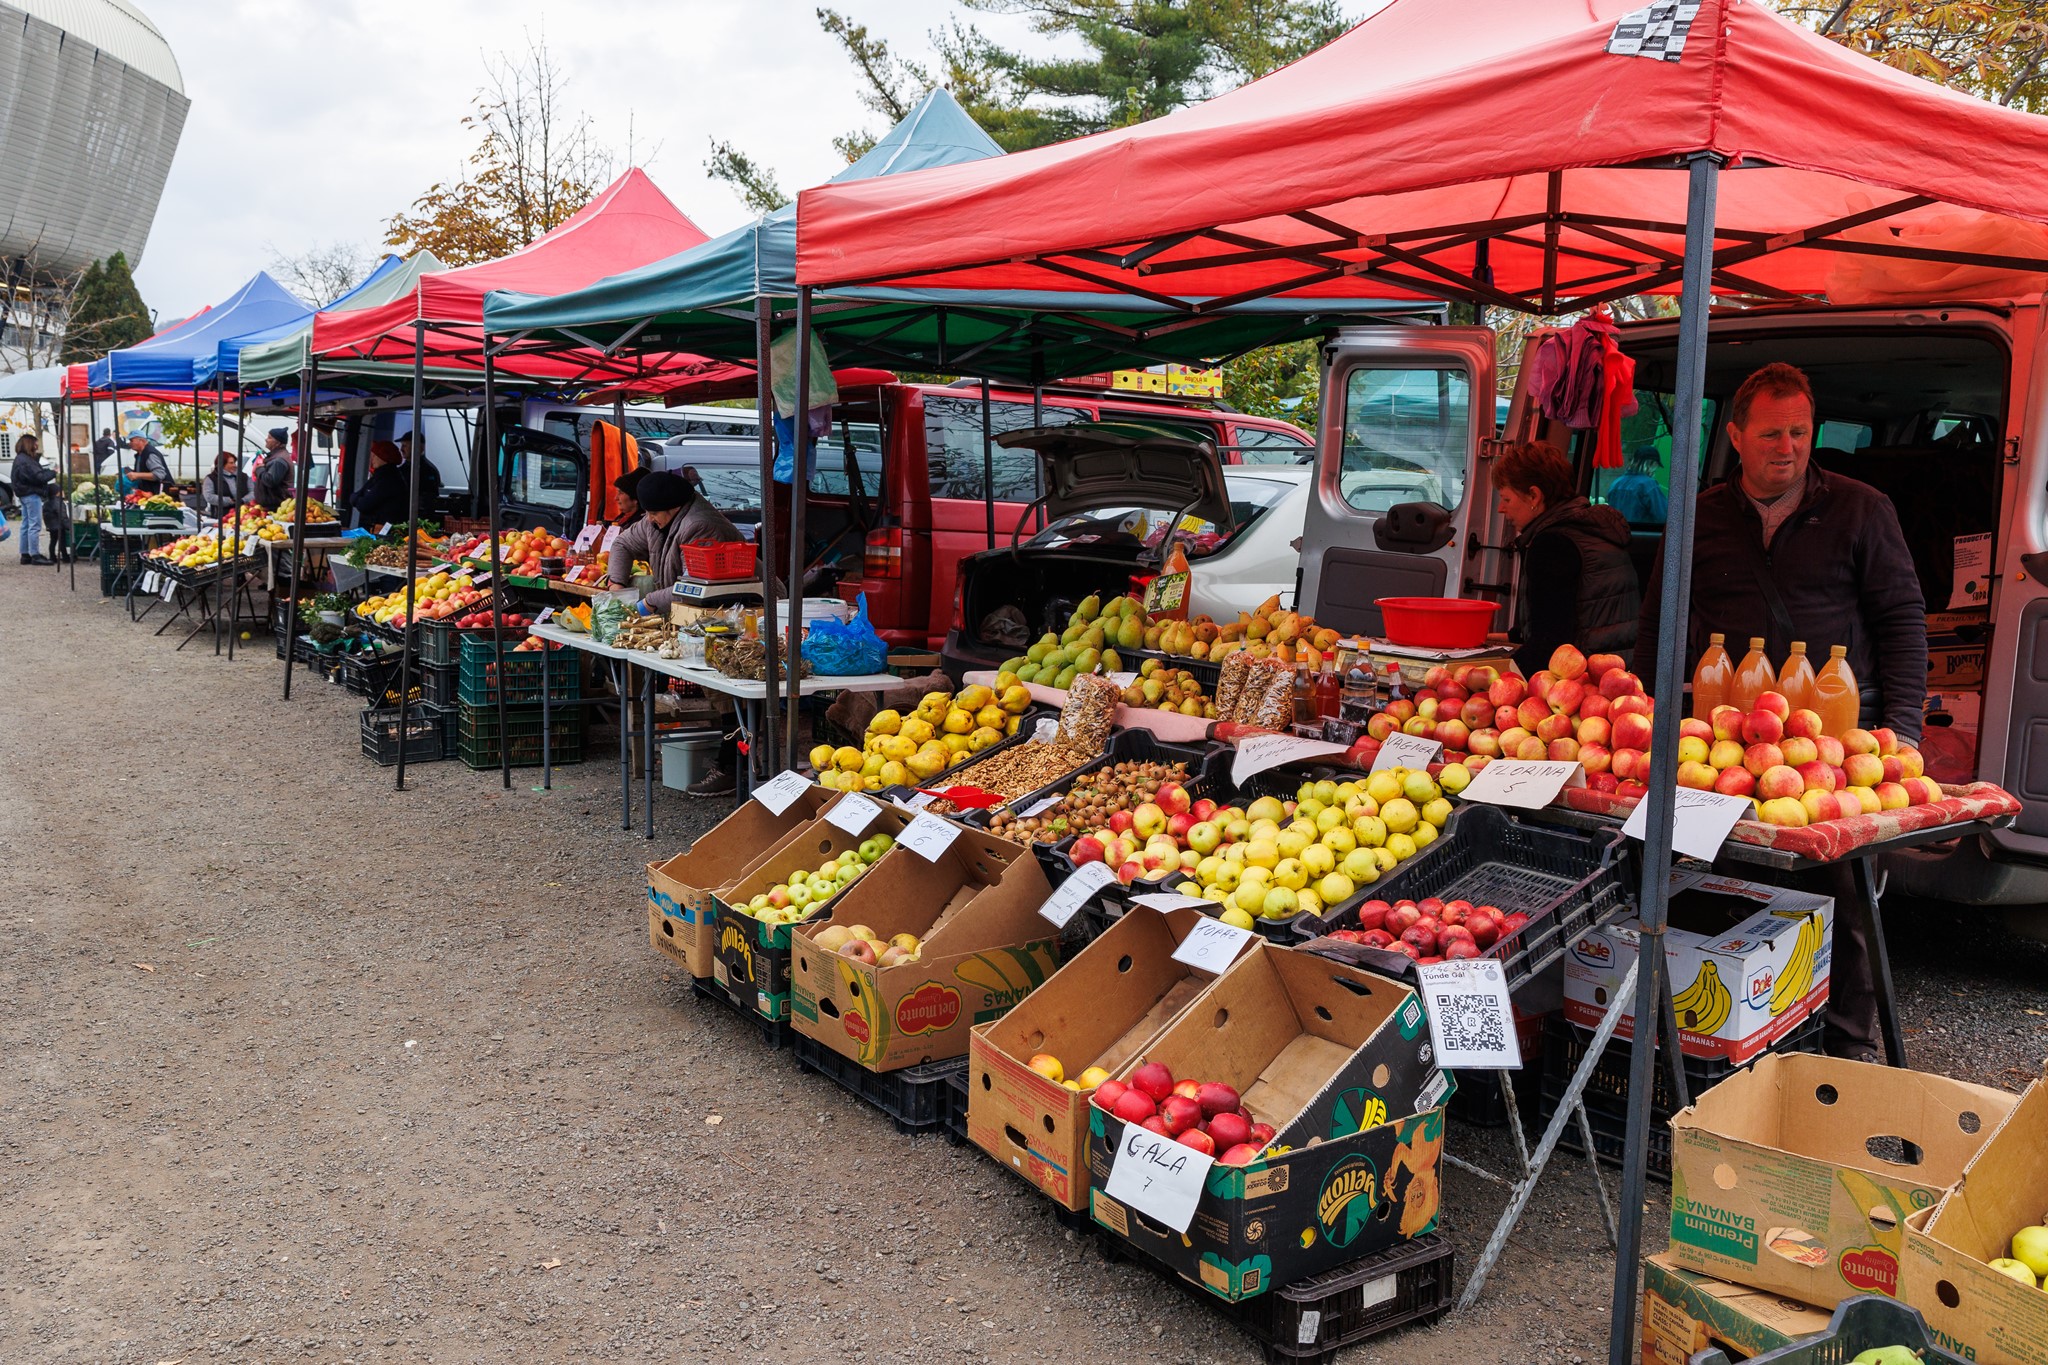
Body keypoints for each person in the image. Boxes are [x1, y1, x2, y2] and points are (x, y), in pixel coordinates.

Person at [1634, 361, 1926, 1063]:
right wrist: (1647, 719)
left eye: (1799, 431)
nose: (1787, 446)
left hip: (1835, 744)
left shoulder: (1862, 508)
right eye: (1771, 433)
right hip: (1724, 741)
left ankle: (1846, 1045)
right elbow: (1659, 624)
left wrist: (1906, 731)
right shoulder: (1702, 515)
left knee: (1845, 899)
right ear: (1735, 435)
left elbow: (1901, 619)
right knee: (1723, 888)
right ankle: (1737, 1036)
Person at [608, 470, 747, 796]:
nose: (649, 519)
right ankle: (733, 762)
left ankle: (734, 766)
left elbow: (694, 585)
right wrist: (616, 583)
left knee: (728, 692)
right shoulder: (658, 520)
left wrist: (648, 603)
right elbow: (623, 543)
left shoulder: (700, 525)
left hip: (731, 614)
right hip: (694, 616)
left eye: (653, 513)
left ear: (673, 508)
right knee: (718, 691)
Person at [1495, 440, 1640, 676]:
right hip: (1617, 672)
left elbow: (1550, 642)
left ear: (1534, 496)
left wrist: (1498, 676)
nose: (1501, 508)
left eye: (1506, 499)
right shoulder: (1589, 531)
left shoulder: (1552, 545)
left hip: (1580, 677)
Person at [11, 434, 57, 565]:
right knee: (34, 525)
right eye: (35, 444)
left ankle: (25, 554)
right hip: (32, 494)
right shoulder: (26, 460)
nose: (37, 446)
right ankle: (35, 554)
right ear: (30, 444)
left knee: (26, 524)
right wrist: (53, 472)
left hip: (24, 494)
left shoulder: (20, 459)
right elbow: (39, 477)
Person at [1605, 443, 1670, 526]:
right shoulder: (1649, 485)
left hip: (1617, 535)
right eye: (1655, 466)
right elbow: (1664, 517)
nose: (1655, 470)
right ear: (1650, 463)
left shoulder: (1616, 484)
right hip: (1642, 537)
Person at [350, 440, 408, 529]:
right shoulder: (378, 476)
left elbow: (364, 504)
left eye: (375, 455)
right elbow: (354, 496)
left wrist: (357, 499)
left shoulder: (388, 479)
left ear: (384, 458)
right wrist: (358, 498)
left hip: (382, 531)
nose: (371, 459)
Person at [395, 432, 443, 508]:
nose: (401, 449)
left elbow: (429, 498)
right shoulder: (403, 468)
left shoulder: (428, 470)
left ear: (419, 447)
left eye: (405, 446)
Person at [252, 428, 294, 511]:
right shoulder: (277, 457)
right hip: (272, 505)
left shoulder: (279, 460)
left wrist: (260, 469)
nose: (266, 440)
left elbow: (270, 481)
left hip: (275, 507)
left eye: (270, 438)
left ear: (278, 442)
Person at [203, 451, 250, 516]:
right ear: (222, 464)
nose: (234, 465)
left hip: (245, 514)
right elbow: (209, 497)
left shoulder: (244, 476)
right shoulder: (211, 478)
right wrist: (229, 501)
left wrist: (243, 500)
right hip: (221, 515)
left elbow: (253, 492)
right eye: (231, 463)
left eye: (234, 463)